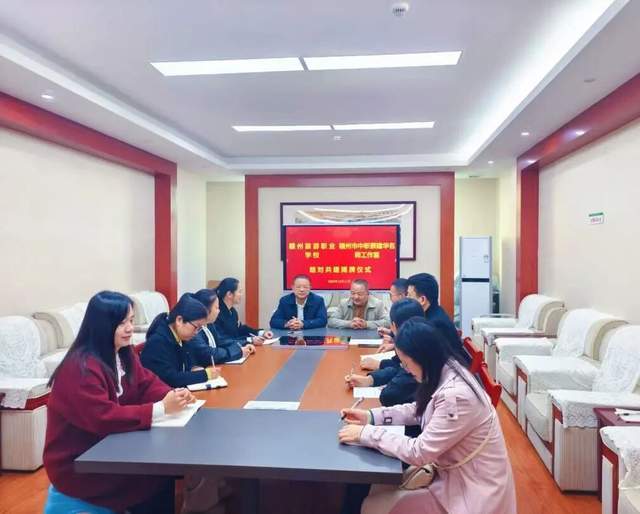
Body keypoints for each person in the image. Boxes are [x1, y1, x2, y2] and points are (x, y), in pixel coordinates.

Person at [339, 317, 516, 514]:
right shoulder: (446, 368)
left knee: (371, 505)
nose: (405, 370)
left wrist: (366, 433)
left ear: (422, 357)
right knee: (371, 492)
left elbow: (419, 452)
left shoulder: (456, 396)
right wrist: (371, 416)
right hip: (454, 478)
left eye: (406, 364)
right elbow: (420, 410)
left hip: (474, 494)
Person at [43, 291, 191, 514]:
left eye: (131, 320)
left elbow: (146, 383)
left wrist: (174, 395)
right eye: (122, 323)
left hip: (112, 446)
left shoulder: (122, 352)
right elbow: (103, 418)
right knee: (155, 474)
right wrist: (161, 408)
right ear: (103, 325)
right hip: (81, 462)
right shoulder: (80, 368)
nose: (130, 328)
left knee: (163, 472)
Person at [345, 298, 422, 407]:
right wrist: (370, 380)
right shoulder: (421, 336)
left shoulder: (412, 348)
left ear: (393, 326)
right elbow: (398, 367)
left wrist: (378, 369)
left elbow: (388, 396)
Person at [141, 293, 219, 387]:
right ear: (179, 320)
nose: (196, 333)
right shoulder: (158, 342)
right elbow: (171, 379)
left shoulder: (181, 337)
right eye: (196, 327)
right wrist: (205, 374)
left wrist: (193, 368)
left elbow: (186, 365)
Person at [406, 272, 468, 361]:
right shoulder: (434, 312)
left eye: (409, 295)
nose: (406, 299)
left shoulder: (435, 324)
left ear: (422, 300)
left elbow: (422, 360)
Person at [189, 288, 255, 365]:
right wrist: (239, 352)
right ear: (205, 309)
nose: (219, 311)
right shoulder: (194, 330)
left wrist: (244, 344)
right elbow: (210, 354)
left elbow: (222, 341)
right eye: (217, 308)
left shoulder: (209, 324)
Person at [215, 277, 273, 345]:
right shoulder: (216, 313)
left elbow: (239, 329)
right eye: (239, 292)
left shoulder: (233, 311)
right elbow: (224, 339)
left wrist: (261, 333)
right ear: (229, 294)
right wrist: (250, 340)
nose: (241, 295)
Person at [377, 278, 409, 350]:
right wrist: (390, 332)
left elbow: (412, 342)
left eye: (391, 295)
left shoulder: (409, 312)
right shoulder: (402, 310)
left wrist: (394, 343)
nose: (390, 298)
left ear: (401, 296)